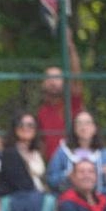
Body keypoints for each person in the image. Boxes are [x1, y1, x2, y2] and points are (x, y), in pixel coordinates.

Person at [46, 110, 106, 196]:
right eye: (79, 123)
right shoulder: (63, 151)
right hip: (70, 201)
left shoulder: (104, 153)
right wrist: (67, 176)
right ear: (74, 128)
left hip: (98, 201)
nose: (83, 127)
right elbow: (51, 180)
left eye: (88, 123)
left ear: (94, 128)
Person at [37, 28, 83, 161]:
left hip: (75, 160)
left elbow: (76, 78)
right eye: (49, 78)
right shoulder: (41, 112)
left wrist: (70, 47)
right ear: (43, 83)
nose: (53, 82)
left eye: (57, 77)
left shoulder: (71, 103)